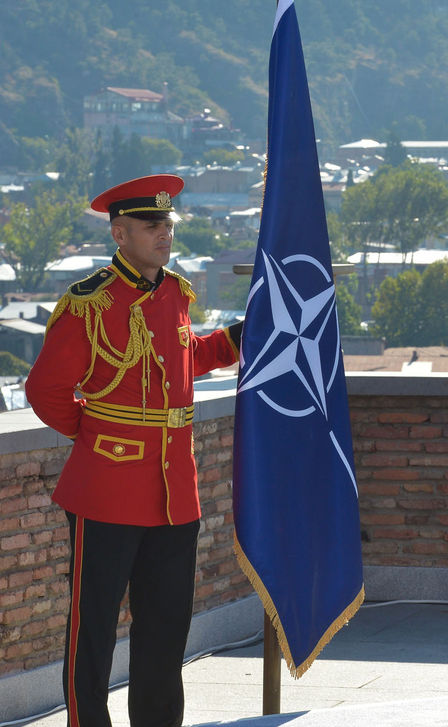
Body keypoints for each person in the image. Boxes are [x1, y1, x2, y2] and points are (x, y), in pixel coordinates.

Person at [25, 174, 242, 726]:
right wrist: (98, 439)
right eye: (151, 225)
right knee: (93, 625)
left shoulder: (175, 292)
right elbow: (45, 391)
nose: (164, 233)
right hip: (107, 489)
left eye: (167, 224)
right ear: (120, 233)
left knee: (166, 627)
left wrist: (238, 337)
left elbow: (182, 358)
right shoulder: (90, 302)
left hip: (175, 493)